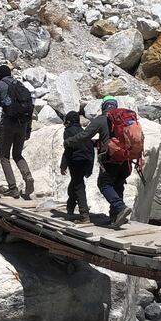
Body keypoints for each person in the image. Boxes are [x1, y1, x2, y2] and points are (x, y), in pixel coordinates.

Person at [64, 96, 132, 226]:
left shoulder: (101, 120)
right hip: (125, 160)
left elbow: (85, 135)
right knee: (118, 185)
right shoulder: (123, 121)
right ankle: (115, 217)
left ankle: (120, 207)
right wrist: (96, 143)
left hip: (110, 159)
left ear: (103, 107)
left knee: (104, 185)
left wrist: (69, 141)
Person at [0, 65, 34, 199]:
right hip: (22, 124)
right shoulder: (20, 85)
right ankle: (28, 176)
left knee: (4, 157)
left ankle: (13, 188)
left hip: (7, 124)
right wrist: (28, 129)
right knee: (18, 154)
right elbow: (30, 108)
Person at [60, 111, 95, 223]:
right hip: (86, 160)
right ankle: (70, 207)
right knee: (75, 182)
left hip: (76, 161)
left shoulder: (68, 131)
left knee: (78, 186)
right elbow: (91, 149)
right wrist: (90, 167)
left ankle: (84, 215)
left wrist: (63, 165)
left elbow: (68, 149)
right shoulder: (83, 131)